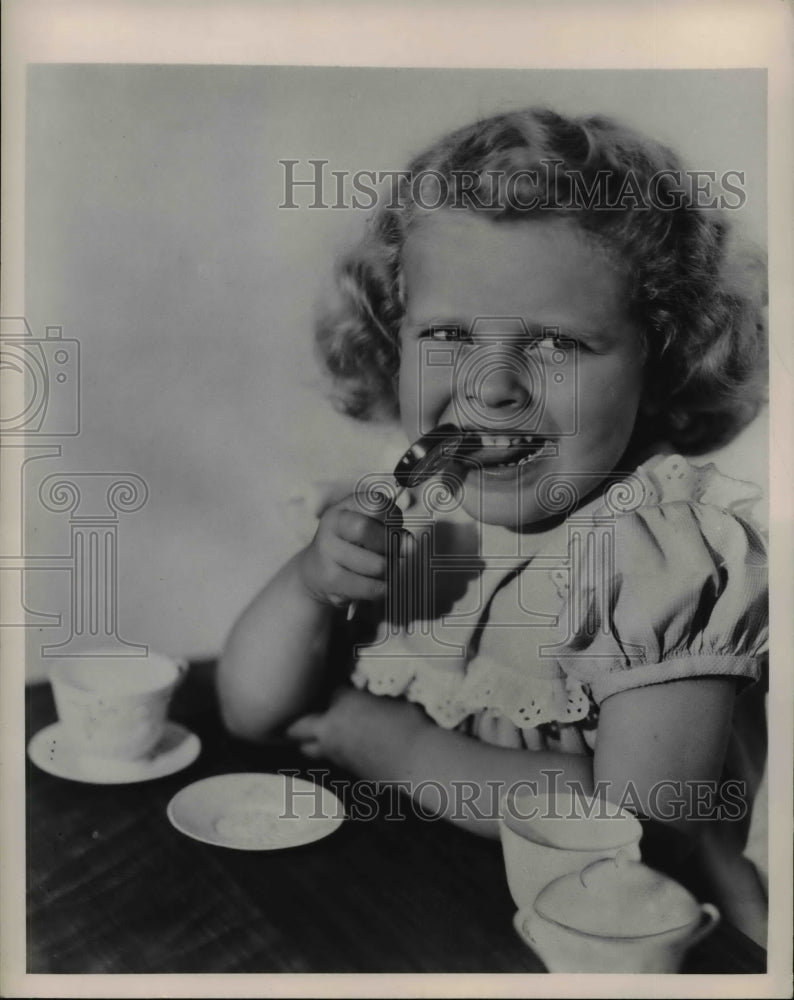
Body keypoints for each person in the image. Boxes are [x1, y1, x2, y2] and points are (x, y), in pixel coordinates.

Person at [217, 108, 768, 943]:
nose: (493, 386)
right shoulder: (415, 504)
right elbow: (252, 711)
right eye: (447, 333)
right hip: (419, 902)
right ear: (393, 337)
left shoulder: (661, 558)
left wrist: (395, 749)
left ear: (661, 362)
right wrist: (309, 586)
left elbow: (638, 828)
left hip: (617, 946)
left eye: (555, 343)